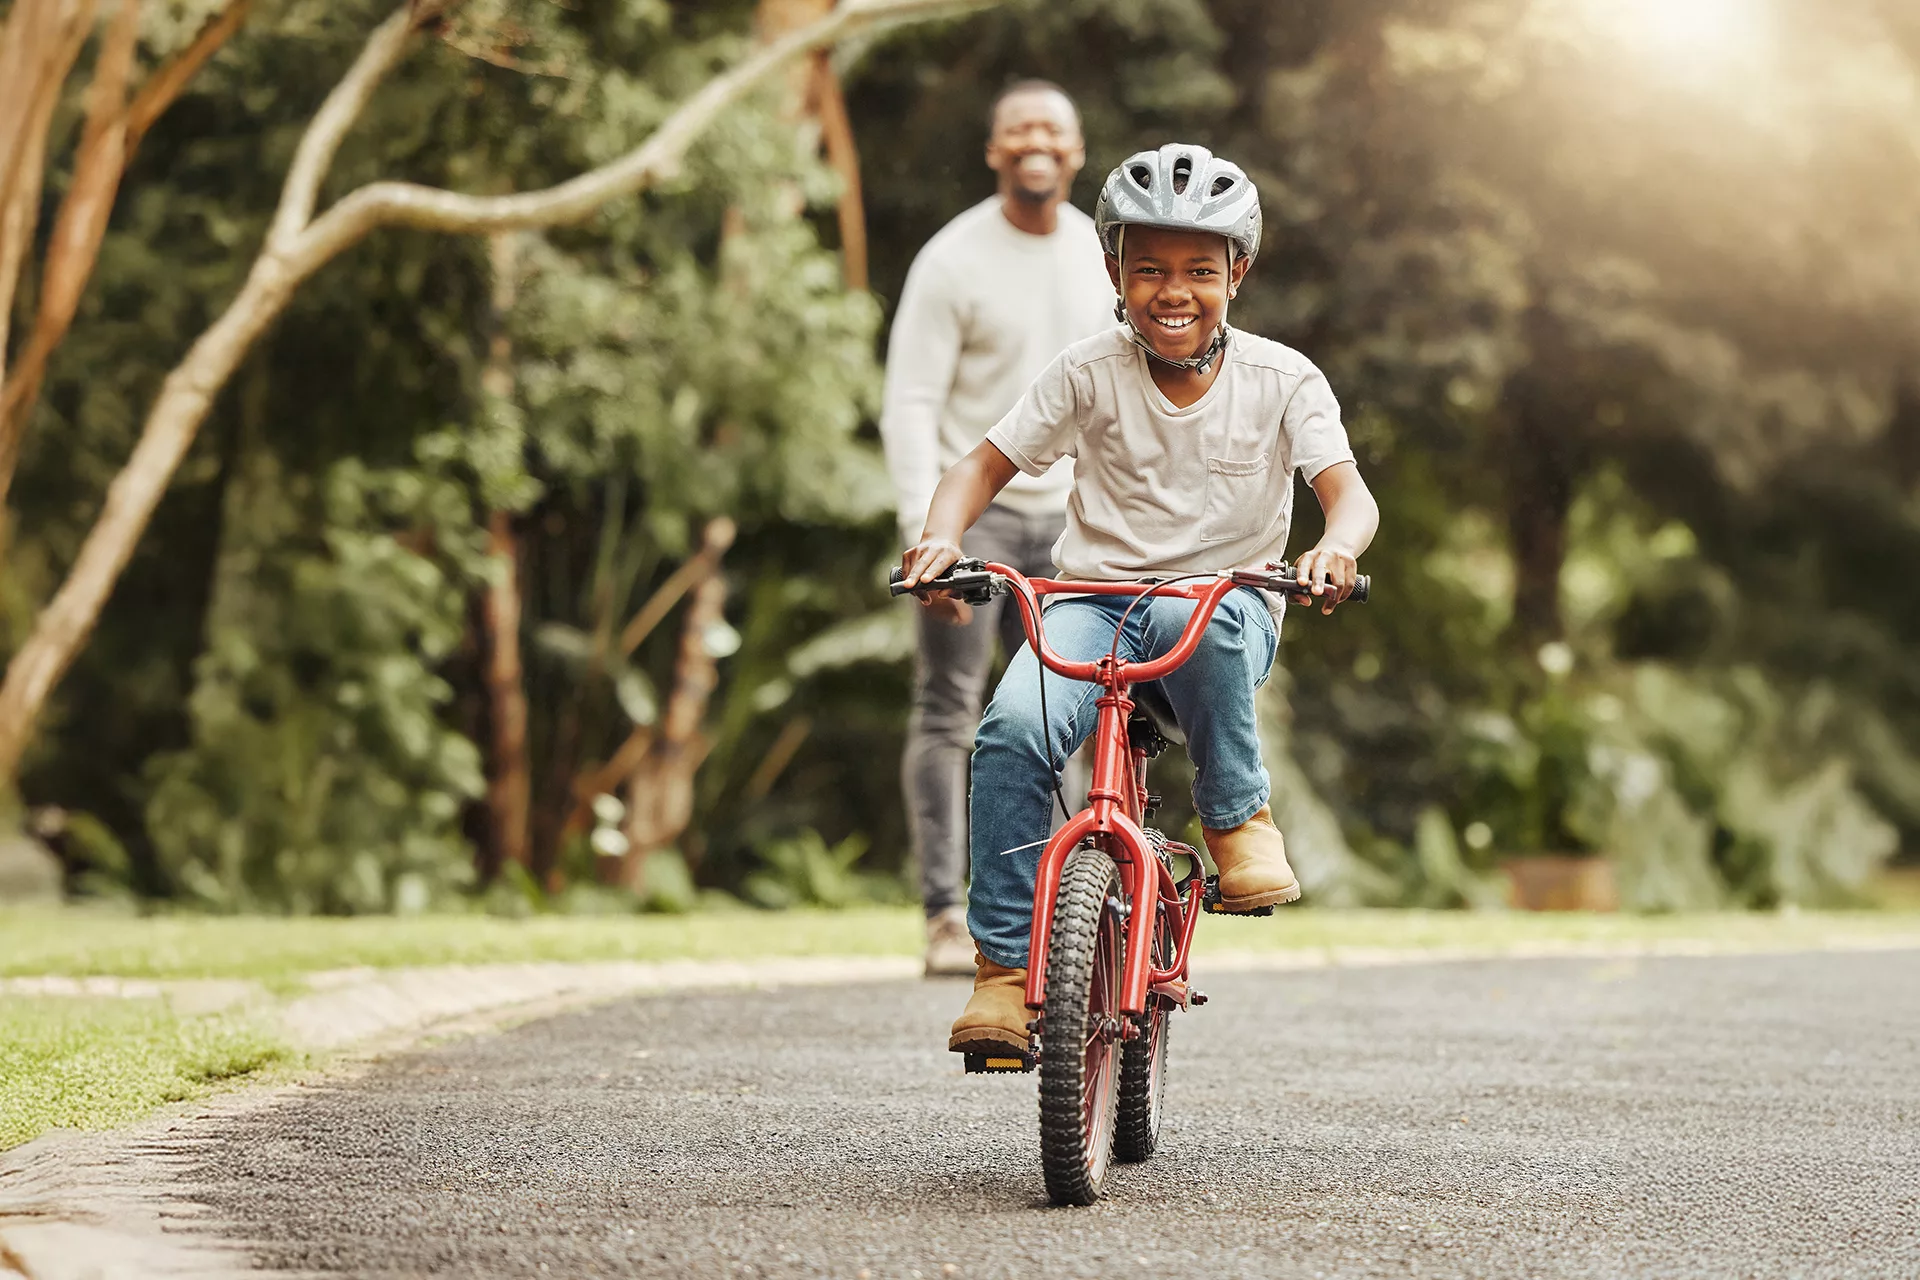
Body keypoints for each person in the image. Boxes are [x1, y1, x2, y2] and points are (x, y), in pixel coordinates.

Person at [896, 143, 1381, 1057]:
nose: (1174, 291)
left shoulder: (1284, 380)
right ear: (1113, 269)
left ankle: (1236, 817)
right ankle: (1002, 972)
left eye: (1201, 270)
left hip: (1217, 607)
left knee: (1206, 622)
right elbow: (981, 464)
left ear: (1238, 273)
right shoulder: (1086, 372)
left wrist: (1334, 549)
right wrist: (942, 537)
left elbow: (1347, 493)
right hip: (1089, 602)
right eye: (1148, 268)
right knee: (1008, 732)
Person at [880, 81, 1115, 978]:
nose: (1035, 141)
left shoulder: (1105, 254)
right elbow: (911, 403)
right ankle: (945, 914)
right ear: (994, 149)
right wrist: (924, 531)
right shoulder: (953, 260)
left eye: (1052, 127)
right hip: (971, 519)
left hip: (1073, 528)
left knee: (1065, 711)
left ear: (1077, 146)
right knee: (950, 708)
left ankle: (1053, 912)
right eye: (1018, 127)